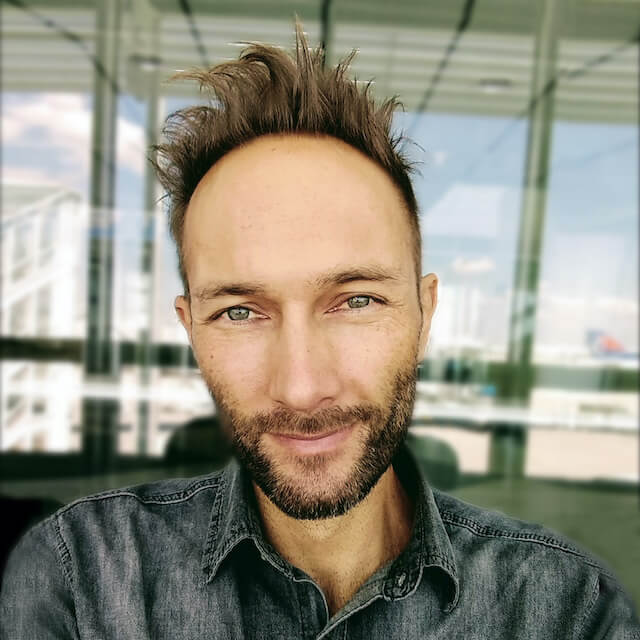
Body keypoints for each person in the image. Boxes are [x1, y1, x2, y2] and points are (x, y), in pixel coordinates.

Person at [1, 26, 638, 640]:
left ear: (424, 314)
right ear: (191, 331)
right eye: (240, 312)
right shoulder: (76, 580)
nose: (302, 388)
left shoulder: (568, 610)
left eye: (356, 301)